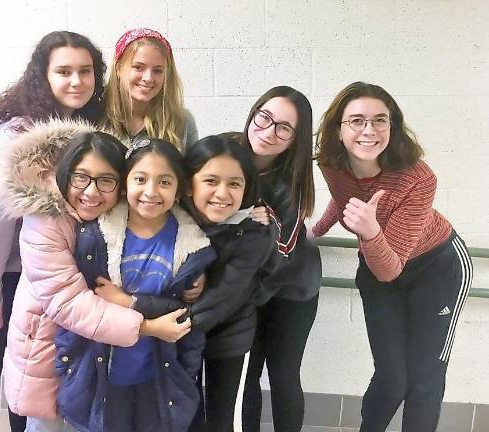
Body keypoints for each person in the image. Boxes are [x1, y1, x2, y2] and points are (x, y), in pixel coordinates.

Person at [0, 30, 107, 432]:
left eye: (85, 71)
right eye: (63, 71)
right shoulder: (16, 132)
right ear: (43, 76)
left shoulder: (81, 129)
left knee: (25, 377)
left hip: (27, 272)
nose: (76, 81)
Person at [0, 123, 193, 432]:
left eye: (105, 181)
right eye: (81, 177)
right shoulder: (44, 221)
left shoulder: (117, 216)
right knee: (47, 425)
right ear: (65, 174)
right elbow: (69, 302)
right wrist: (148, 327)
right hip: (46, 349)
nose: (90, 192)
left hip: (92, 352)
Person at [310, 81, 473, 432]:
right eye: (356, 120)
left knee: (423, 379)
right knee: (391, 378)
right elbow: (344, 198)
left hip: (438, 267)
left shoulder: (418, 177)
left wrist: (370, 231)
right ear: (338, 129)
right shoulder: (332, 164)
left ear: (392, 127)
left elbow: (391, 268)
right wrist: (315, 232)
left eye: (380, 120)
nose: (368, 130)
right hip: (377, 263)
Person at [55, 138, 215, 432]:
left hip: (158, 376)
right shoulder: (95, 237)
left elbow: (188, 316)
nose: (151, 191)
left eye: (165, 182)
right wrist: (68, 365)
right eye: (141, 179)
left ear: (178, 191)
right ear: (125, 184)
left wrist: (187, 372)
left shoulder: (192, 245)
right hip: (100, 372)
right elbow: (77, 306)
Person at [236, 86, 322, 432]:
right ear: (254, 112)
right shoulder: (225, 151)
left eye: (283, 128)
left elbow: (277, 258)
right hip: (247, 284)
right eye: (265, 117)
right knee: (246, 371)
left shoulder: (290, 185)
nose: (269, 132)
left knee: (284, 374)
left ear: (293, 140)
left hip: (291, 289)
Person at [181, 135, 277, 431]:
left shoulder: (253, 233)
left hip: (227, 340)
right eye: (211, 180)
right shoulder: (171, 221)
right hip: (182, 339)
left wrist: (164, 328)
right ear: (188, 183)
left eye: (234, 183)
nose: (222, 193)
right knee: (185, 416)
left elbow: (222, 297)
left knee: (224, 421)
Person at [101, 27, 198, 149]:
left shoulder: (182, 121)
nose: (148, 78)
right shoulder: (97, 115)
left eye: (158, 71)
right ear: (118, 68)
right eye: (138, 67)